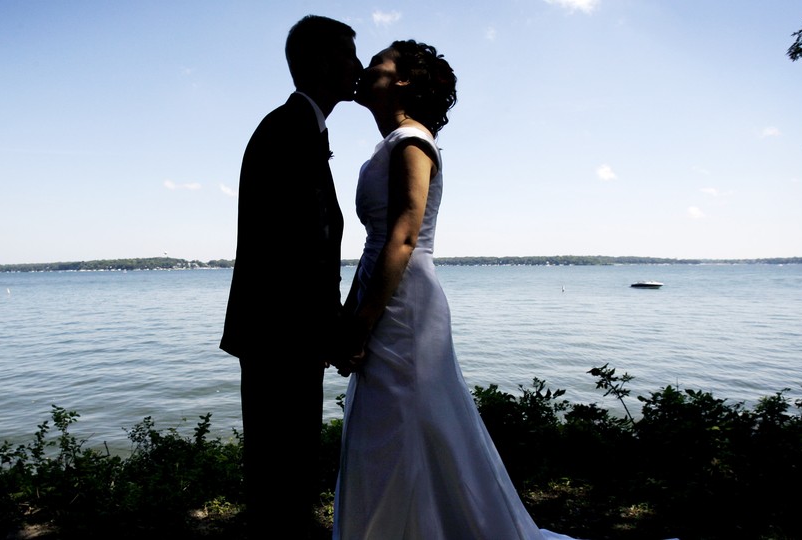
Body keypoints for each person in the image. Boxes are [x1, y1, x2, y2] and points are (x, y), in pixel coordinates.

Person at [332, 40, 571, 539]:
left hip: (404, 303)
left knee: (404, 418)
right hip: (386, 290)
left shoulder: (411, 143)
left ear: (401, 81)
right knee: (391, 421)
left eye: (375, 64)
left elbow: (402, 236)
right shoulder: (393, 141)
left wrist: (361, 323)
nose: (363, 70)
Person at [219, 15, 361, 538]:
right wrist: (333, 331)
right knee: (281, 465)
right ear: (324, 63)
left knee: (285, 464)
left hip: (282, 331)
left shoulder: (297, 126)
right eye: (350, 55)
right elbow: (301, 250)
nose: (359, 67)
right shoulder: (289, 130)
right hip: (280, 333)